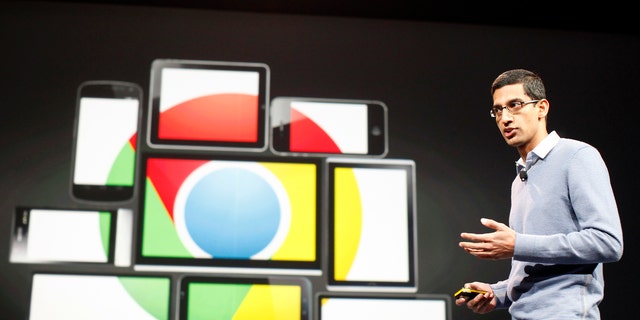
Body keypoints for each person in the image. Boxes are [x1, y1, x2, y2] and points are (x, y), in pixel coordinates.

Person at [456, 69, 623, 319]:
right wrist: (497, 292)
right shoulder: (519, 179)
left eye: (515, 105)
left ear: (542, 108)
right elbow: (534, 270)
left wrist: (518, 244)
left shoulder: (577, 156)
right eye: (498, 110)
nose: (505, 118)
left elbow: (608, 242)